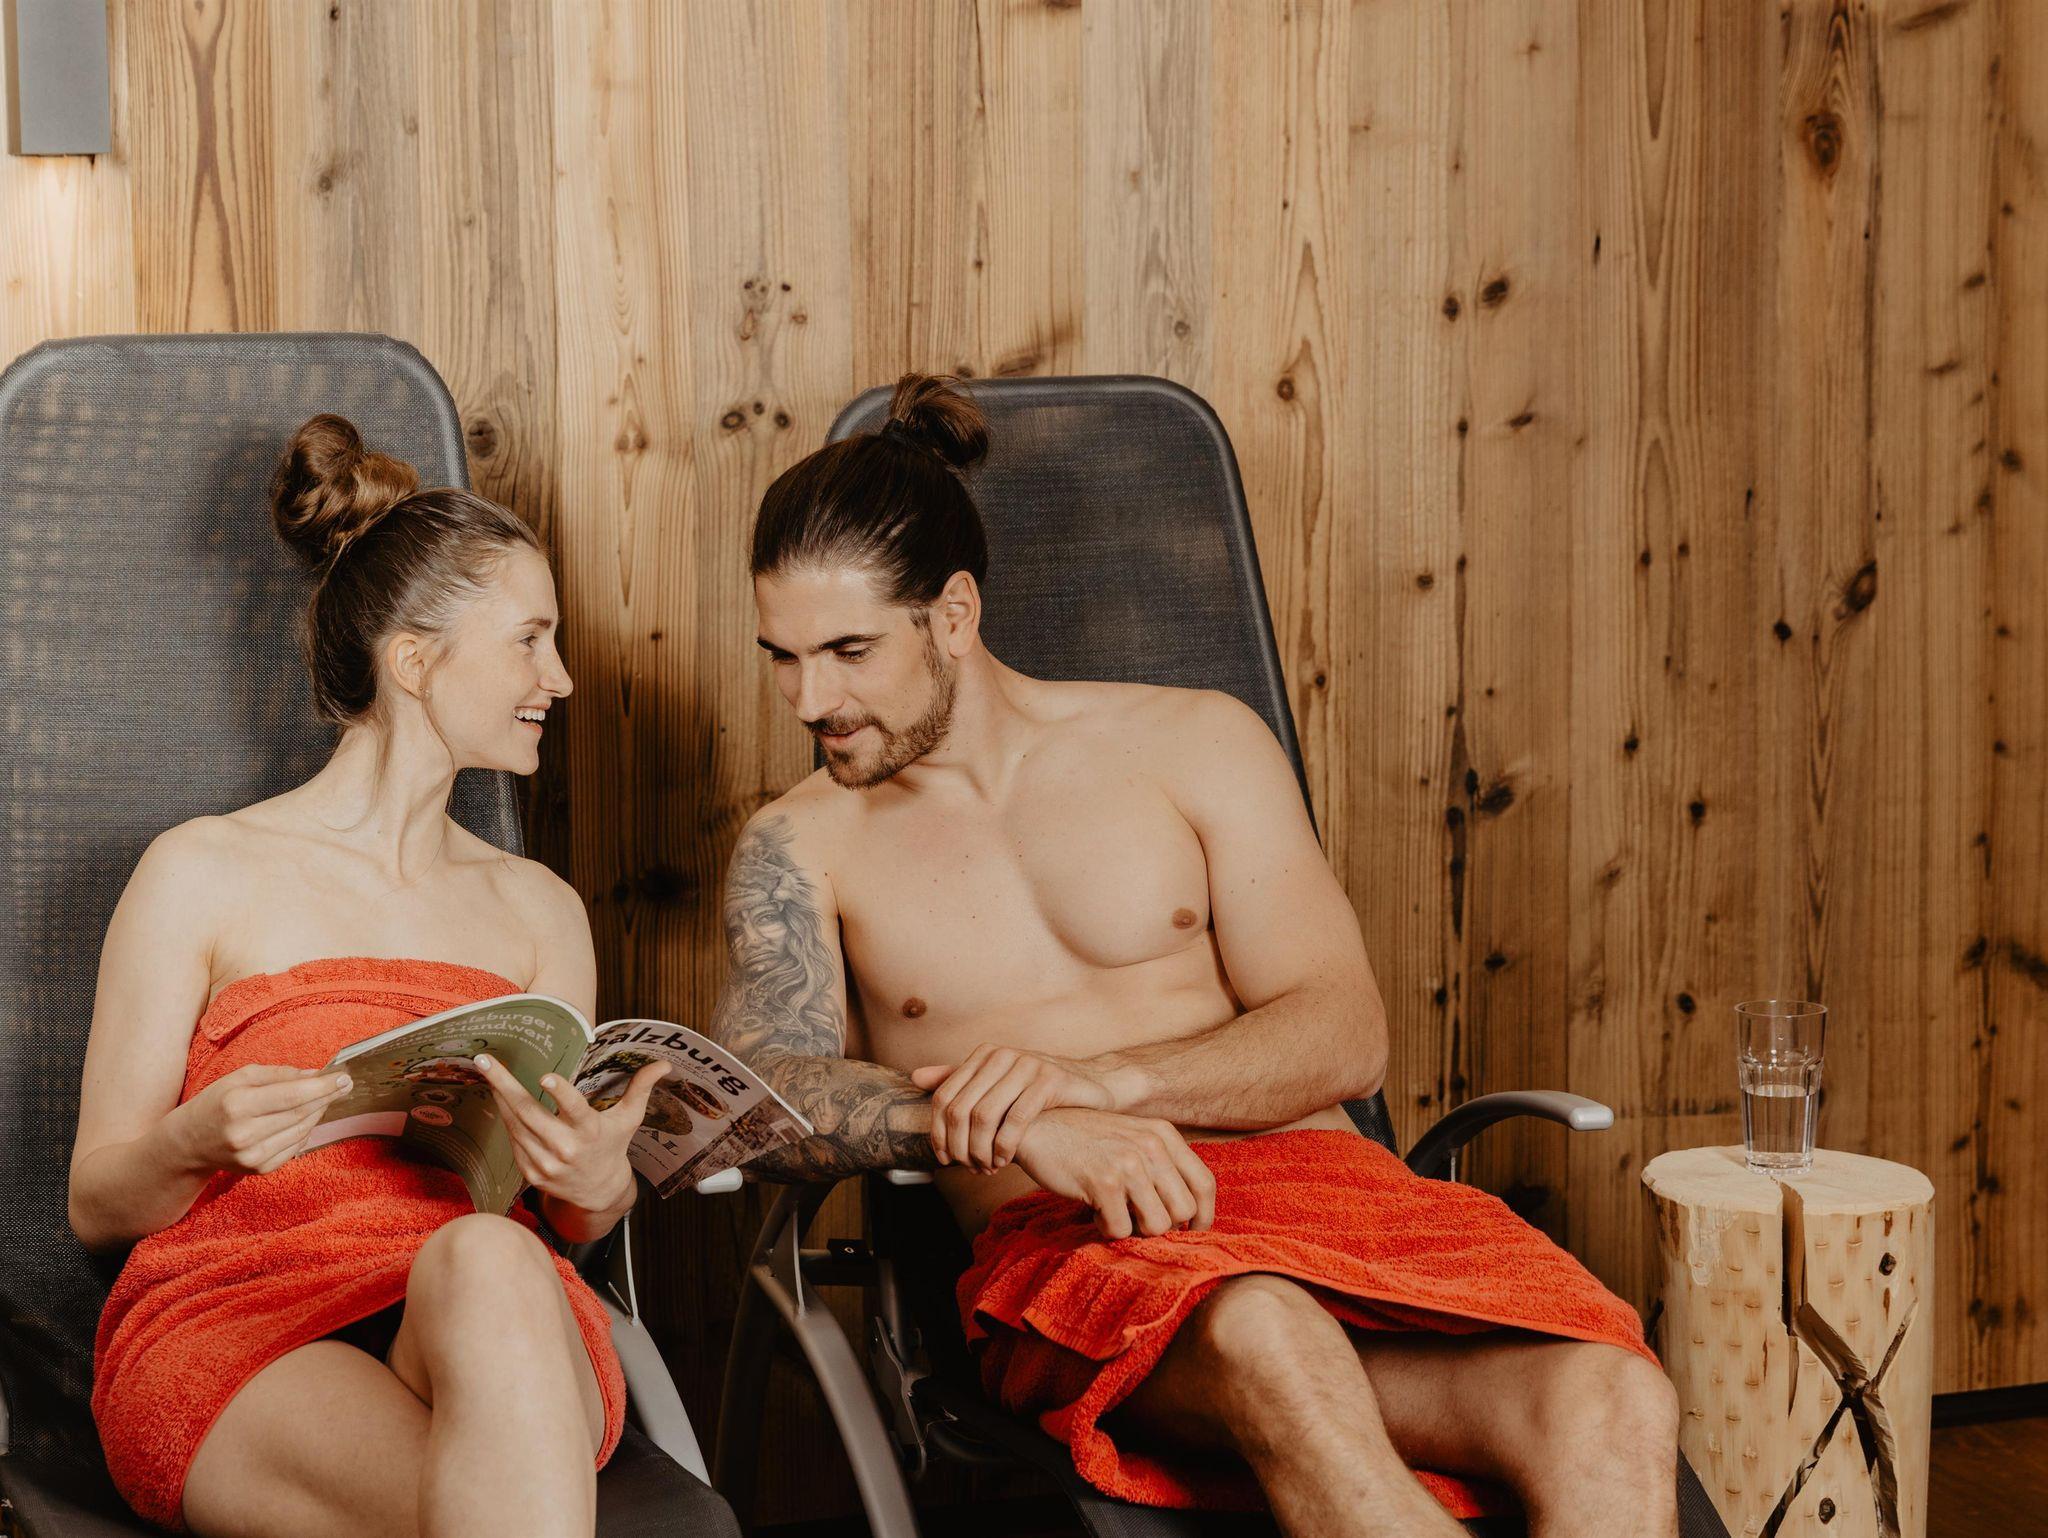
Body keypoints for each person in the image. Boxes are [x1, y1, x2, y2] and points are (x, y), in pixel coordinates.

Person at [710, 373, 1682, 1538]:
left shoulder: (1194, 741)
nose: (808, 697)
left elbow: (1343, 1033)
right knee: (1264, 1325)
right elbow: (749, 1100)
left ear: (953, 613)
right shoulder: (800, 846)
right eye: (782, 655)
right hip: (1084, 1246)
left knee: (1613, 1395)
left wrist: (1098, 1082)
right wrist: (1026, 1127)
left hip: (1334, 1200)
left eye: (847, 650)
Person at [70, 416, 672, 1538]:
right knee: (496, 1500)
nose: (561, 678)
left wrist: (597, 1180)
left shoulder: (540, 908)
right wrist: (194, 1139)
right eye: (530, 640)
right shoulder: (201, 870)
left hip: (482, 1325)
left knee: (492, 1249)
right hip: (248, 1320)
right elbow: (97, 1205)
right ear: (414, 661)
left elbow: (564, 1217)